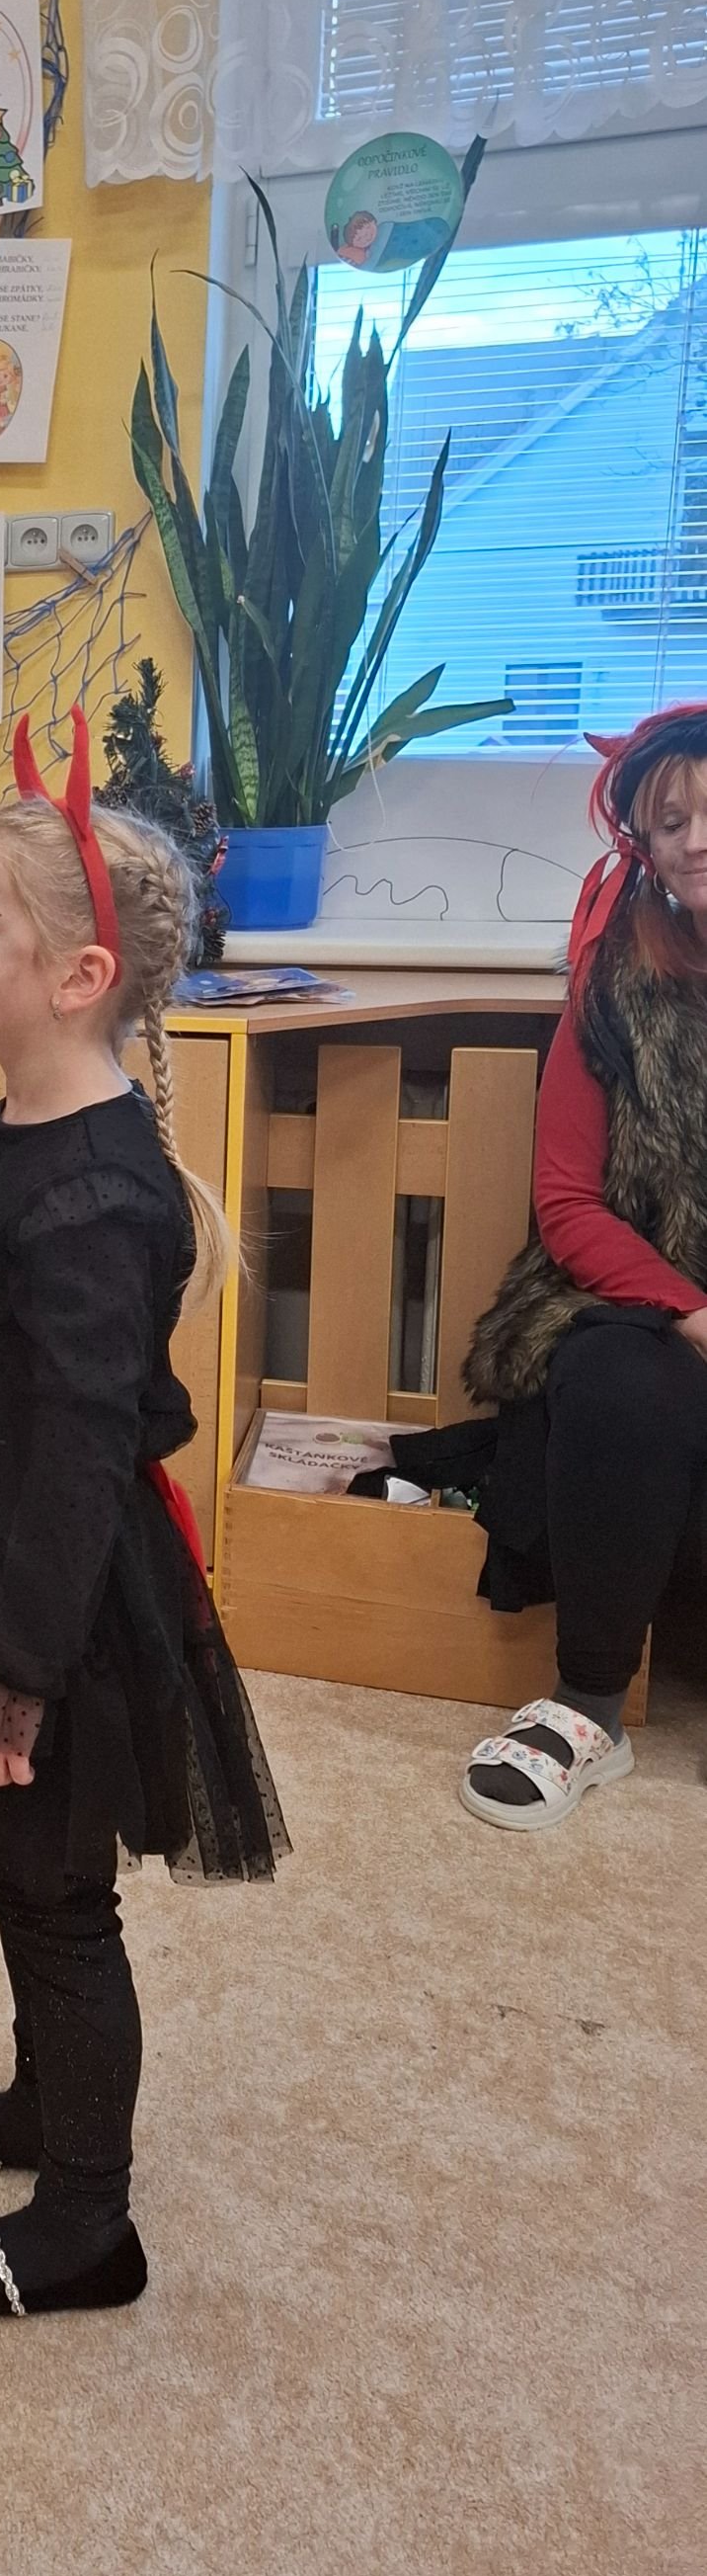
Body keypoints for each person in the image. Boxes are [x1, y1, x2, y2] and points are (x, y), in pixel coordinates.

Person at [0, 708, 286, 2321]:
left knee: (57, 1892)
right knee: (13, 1859)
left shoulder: (97, 1192)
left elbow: (78, 1453)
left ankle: (90, 2218)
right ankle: (45, 2106)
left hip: (49, 1590)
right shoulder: (10, 1128)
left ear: (76, 976)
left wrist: (17, 1670)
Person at [451, 706, 707, 1831]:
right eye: (672, 822)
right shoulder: (613, 988)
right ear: (643, 844)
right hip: (641, 1304)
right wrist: (691, 1312)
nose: (696, 840)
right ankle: (587, 1703)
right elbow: (567, 1204)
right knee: (613, 1375)